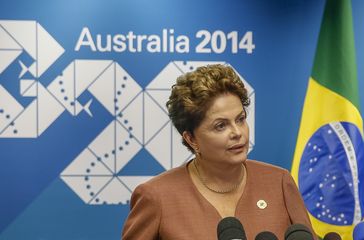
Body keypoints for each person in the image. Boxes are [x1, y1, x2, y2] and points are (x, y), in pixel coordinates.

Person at [121, 64, 315, 239]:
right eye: (221, 126)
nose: (237, 133)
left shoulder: (278, 182)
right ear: (191, 139)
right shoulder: (157, 197)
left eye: (240, 119)